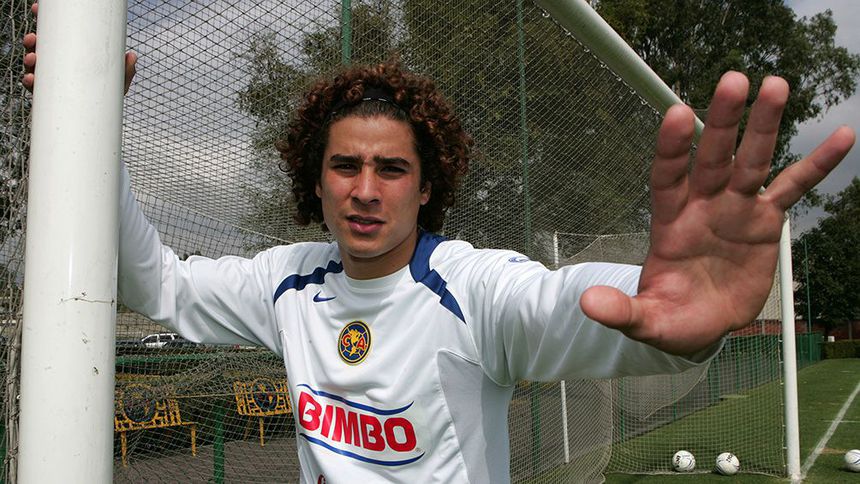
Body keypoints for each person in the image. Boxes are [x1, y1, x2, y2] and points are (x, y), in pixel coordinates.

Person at [23, 24, 855, 484]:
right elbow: (156, 284)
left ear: (427, 188)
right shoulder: (286, 281)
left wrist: (669, 305)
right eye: (345, 166)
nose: (365, 189)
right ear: (316, 181)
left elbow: (558, 301)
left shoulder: (472, 289)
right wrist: (93, 125)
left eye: (392, 169)